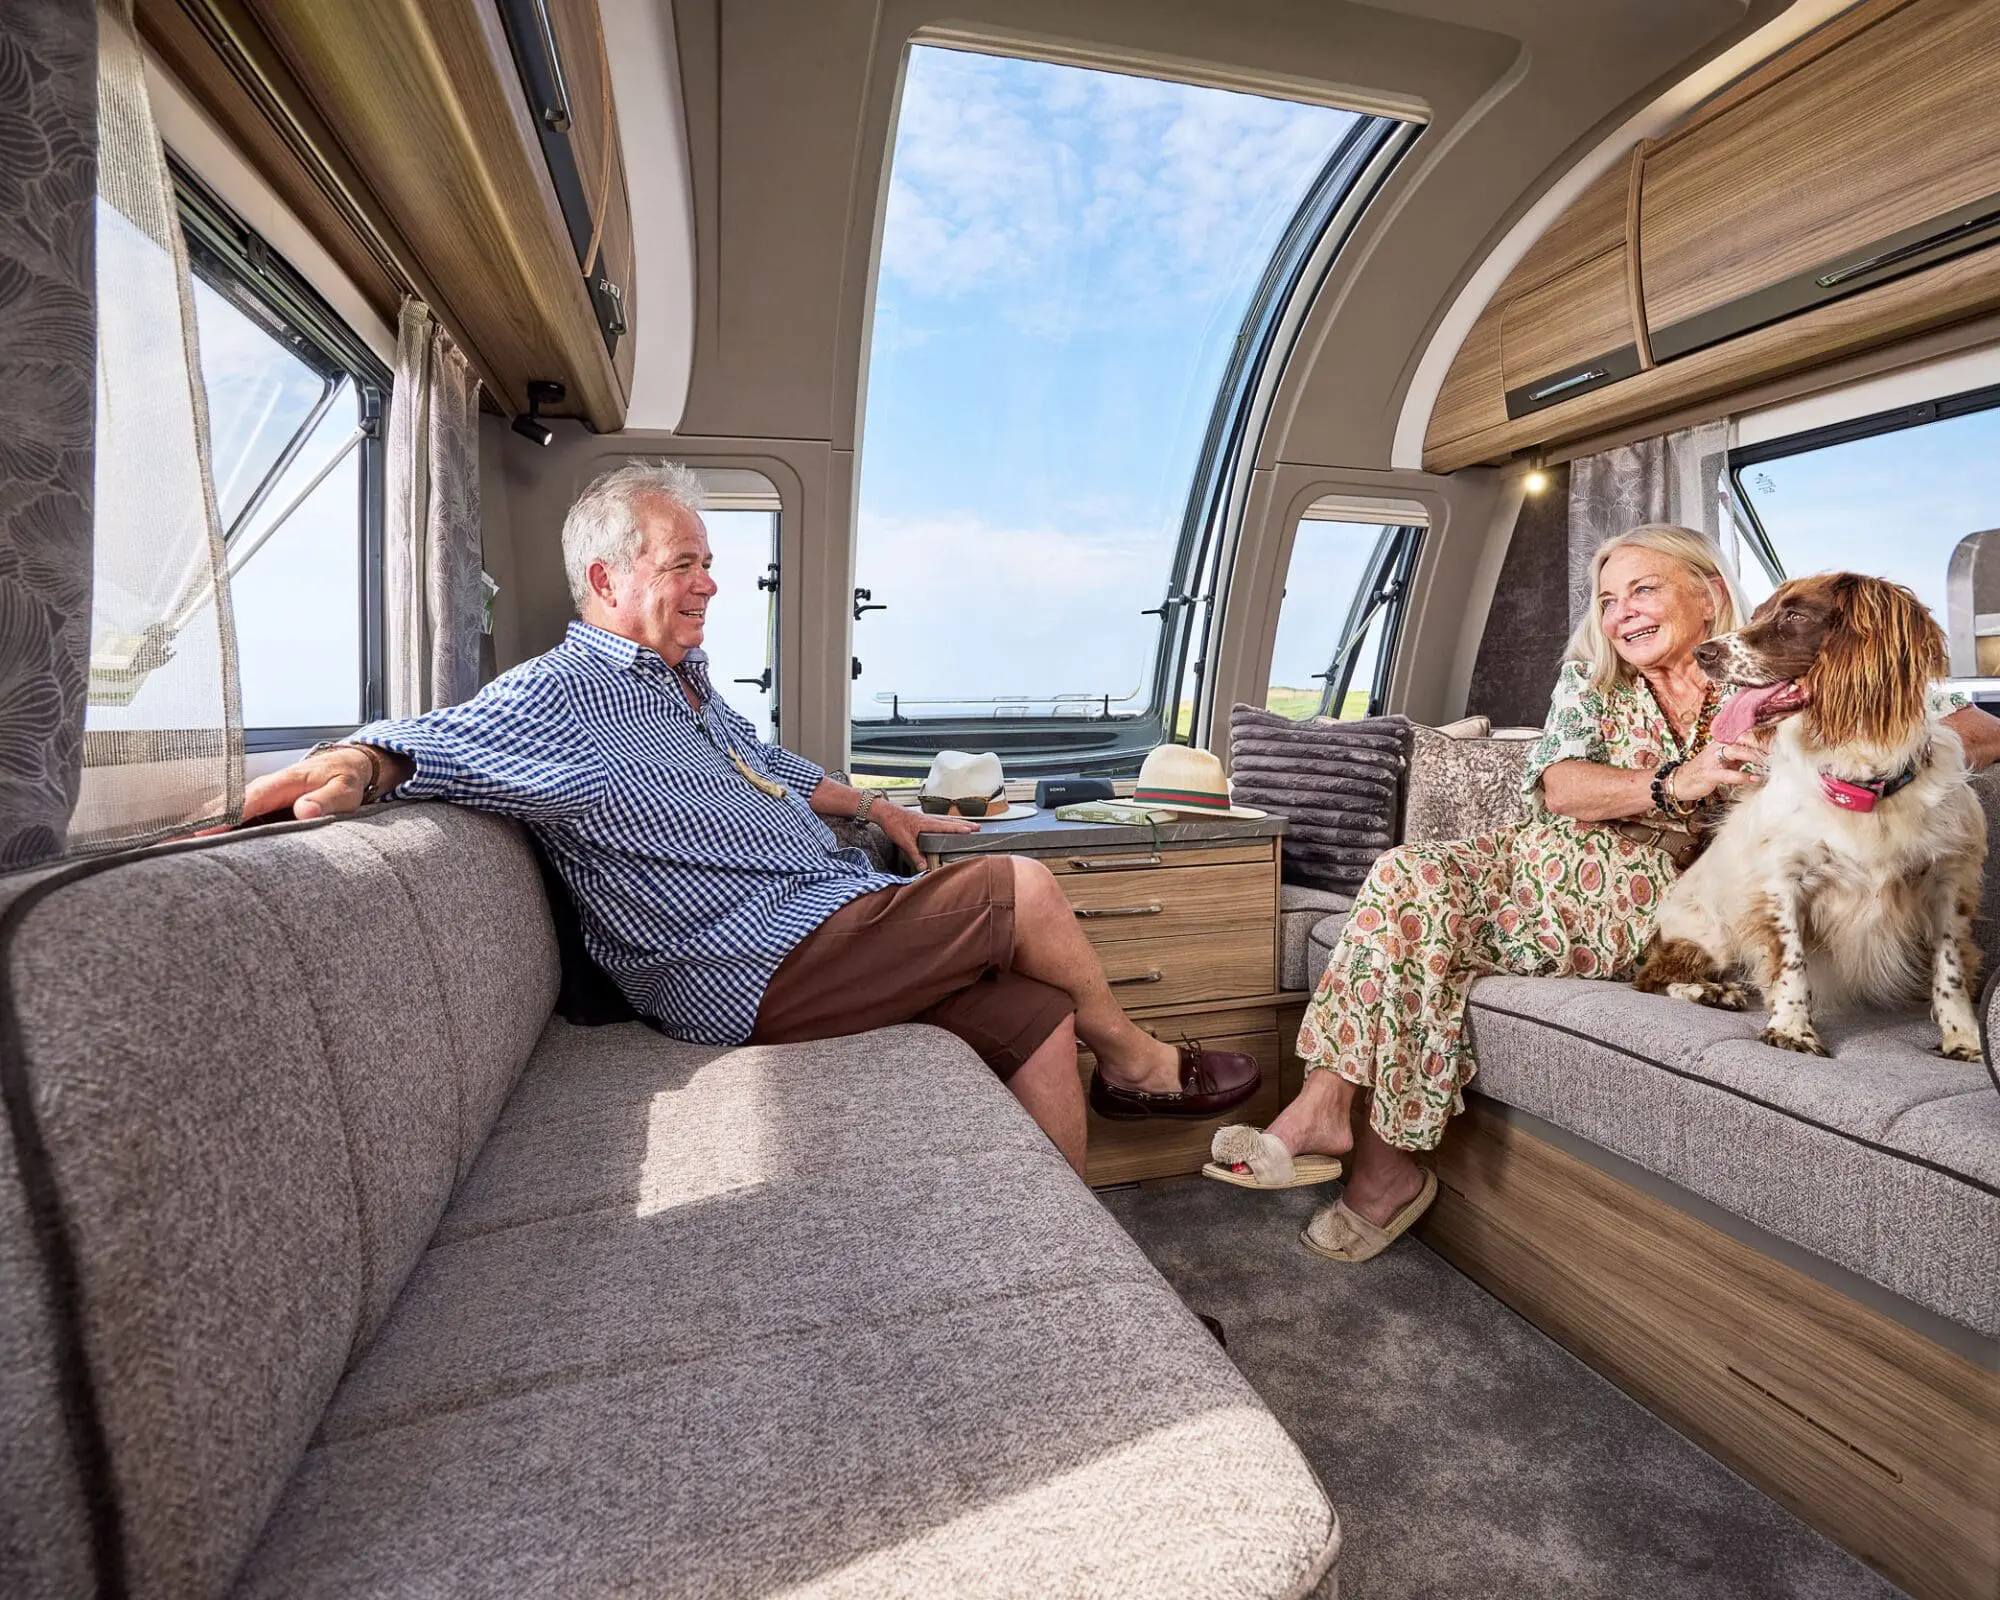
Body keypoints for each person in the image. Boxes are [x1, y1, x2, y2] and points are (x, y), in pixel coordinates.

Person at [240, 461, 1260, 1175]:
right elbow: (433, 738)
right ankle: (1138, 1066)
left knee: (1035, 1019)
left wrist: (876, 804)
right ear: (605, 578)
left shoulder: (684, 685)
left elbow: (768, 765)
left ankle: (1081, 1279)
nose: (709, 583)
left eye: (707, 561)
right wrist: (354, 764)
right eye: (682, 563)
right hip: (741, 963)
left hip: (817, 918)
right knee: (1018, 888)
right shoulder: (565, 694)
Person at [1214, 523, 2000, 1261]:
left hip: (1654, 892)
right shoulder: (1592, 683)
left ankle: (1360, 1151)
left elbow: (1972, 727)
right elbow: (1559, 786)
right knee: (1400, 874)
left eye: (1643, 590)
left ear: (1708, 595)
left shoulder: (1793, 675)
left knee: (1421, 932)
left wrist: (1865, 761)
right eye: (1608, 600)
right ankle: (1332, 1114)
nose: (1622, 614)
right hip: (1536, 857)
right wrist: (1677, 780)